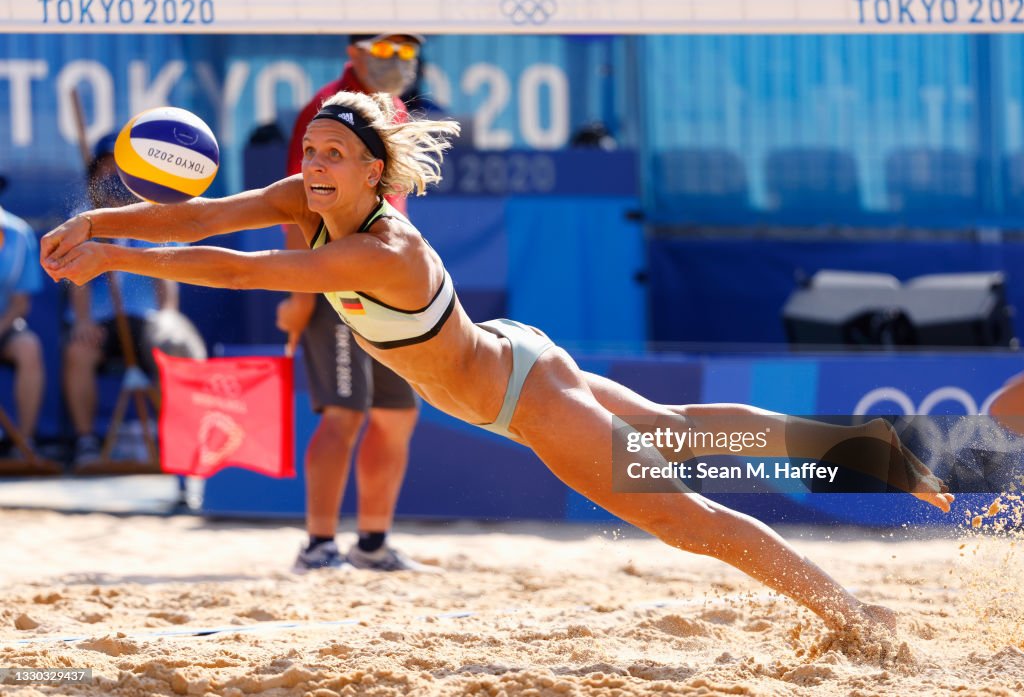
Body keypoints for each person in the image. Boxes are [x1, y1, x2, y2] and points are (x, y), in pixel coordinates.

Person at [40, 91, 955, 633]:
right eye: (310, 151)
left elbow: (246, 268)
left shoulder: (381, 249)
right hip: (518, 353)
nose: (313, 165)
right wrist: (100, 221)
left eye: (334, 155)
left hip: (522, 396)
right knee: (677, 436)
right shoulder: (312, 194)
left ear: (375, 175)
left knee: (690, 514)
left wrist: (118, 256)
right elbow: (201, 218)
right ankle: (869, 452)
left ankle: (857, 615)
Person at [278, 33, 427, 572]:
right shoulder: (327, 110)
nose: (399, 60)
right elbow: (299, 203)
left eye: (407, 51)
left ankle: (372, 544)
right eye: (386, 49)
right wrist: (300, 292)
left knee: (395, 415)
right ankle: (318, 545)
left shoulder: (394, 111)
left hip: (390, 283)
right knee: (344, 412)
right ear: (355, 51)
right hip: (335, 279)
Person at [62, 133, 189, 466]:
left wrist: (169, 318)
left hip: (146, 320)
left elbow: (169, 273)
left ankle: (177, 442)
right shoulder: (83, 220)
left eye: (118, 170)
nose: (111, 178)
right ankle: (86, 443)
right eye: (103, 170)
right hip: (101, 322)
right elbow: (76, 282)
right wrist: (83, 321)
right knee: (79, 351)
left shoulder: (157, 217)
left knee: (173, 348)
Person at [0, 203, 44, 456]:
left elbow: (21, 303)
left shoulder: (19, 232)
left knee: (29, 348)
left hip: (5, 324)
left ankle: (24, 443)